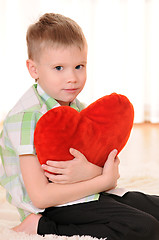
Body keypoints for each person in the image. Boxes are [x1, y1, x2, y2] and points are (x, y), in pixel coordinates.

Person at [0, 13, 159, 240]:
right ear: (34, 69)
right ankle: (40, 227)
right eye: (59, 68)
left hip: (86, 192)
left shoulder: (76, 109)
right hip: (53, 206)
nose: (72, 78)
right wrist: (102, 180)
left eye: (79, 66)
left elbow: (99, 163)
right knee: (144, 227)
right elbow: (40, 196)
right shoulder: (26, 118)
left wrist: (95, 175)